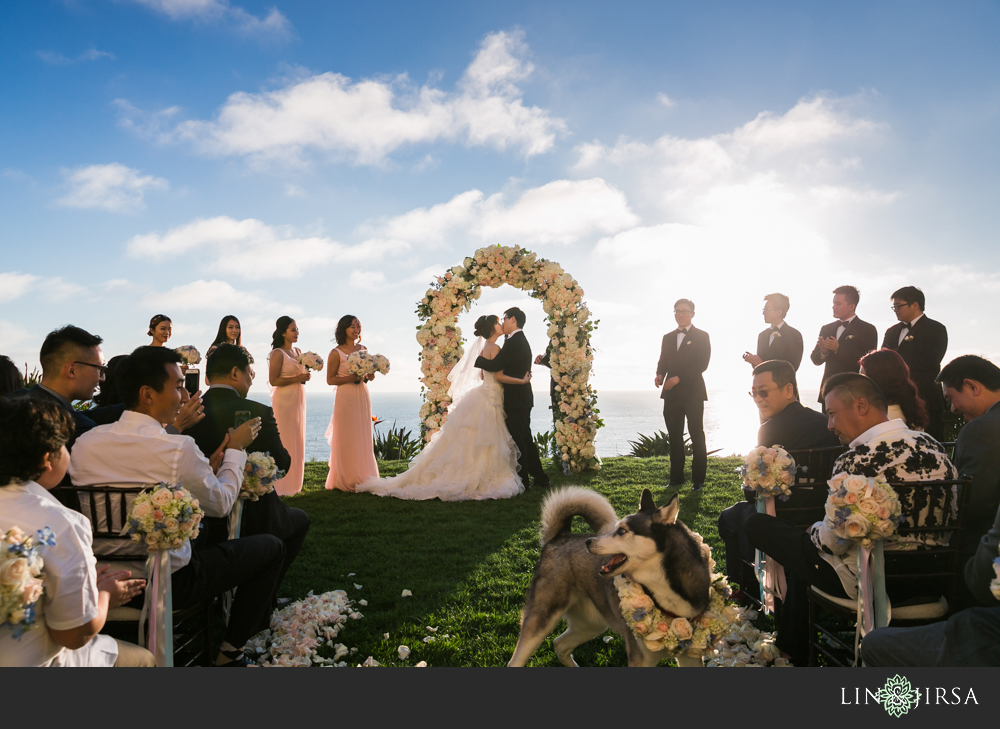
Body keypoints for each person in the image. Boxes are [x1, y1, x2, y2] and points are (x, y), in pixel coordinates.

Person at [68, 346, 285, 667]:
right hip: (168, 581)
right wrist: (236, 450)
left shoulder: (87, 443)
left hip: (101, 578)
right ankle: (231, 650)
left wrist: (205, 471)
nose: (187, 395)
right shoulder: (178, 448)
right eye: (180, 386)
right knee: (272, 547)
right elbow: (223, 504)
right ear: (147, 394)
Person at [743, 373, 956, 666]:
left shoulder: (857, 458)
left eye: (832, 414)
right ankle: (791, 644)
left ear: (860, 406)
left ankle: (792, 648)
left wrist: (813, 530)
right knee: (800, 554)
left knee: (758, 525)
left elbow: (833, 544)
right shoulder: (935, 447)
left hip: (870, 579)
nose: (829, 425)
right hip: (931, 577)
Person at [0, 396, 153, 667]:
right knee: (144, 660)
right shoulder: (58, 522)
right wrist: (105, 594)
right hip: (32, 661)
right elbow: (73, 634)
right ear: (47, 457)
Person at [184, 343, 310, 612]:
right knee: (299, 521)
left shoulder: (188, 412)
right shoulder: (258, 411)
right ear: (234, 373)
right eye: (250, 375)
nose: (251, 381)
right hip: (258, 515)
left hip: (201, 518)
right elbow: (283, 464)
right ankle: (265, 594)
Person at [357, 315, 528, 500]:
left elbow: (481, 374)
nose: (501, 324)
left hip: (485, 394)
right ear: (492, 328)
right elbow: (500, 376)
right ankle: (482, 476)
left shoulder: (485, 347)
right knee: (487, 440)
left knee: (474, 440)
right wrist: (522, 381)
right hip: (491, 398)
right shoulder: (495, 348)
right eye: (497, 322)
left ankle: (468, 472)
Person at [718, 360, 840, 594]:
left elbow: (753, 490)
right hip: (823, 512)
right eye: (753, 393)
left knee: (729, 518)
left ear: (788, 390)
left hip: (779, 516)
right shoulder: (826, 423)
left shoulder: (769, 429)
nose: (758, 399)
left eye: (763, 391)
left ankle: (748, 587)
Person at [860, 499, 1000, 666]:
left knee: (873, 645)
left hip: (986, 635)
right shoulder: (950, 472)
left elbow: (982, 584)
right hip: (937, 578)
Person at [474, 307, 550, 491]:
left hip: (518, 399)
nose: (503, 323)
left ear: (513, 319)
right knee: (524, 439)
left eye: (505, 318)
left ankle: (524, 481)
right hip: (518, 398)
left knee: (520, 440)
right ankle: (539, 478)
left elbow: (496, 365)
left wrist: (478, 361)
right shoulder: (513, 340)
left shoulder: (515, 341)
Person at [937, 354, 1000, 555]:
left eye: (951, 398)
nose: (953, 408)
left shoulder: (981, 429)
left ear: (973, 387)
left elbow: (972, 505)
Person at [655, 298, 710, 490]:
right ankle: (676, 479)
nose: (681, 314)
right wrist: (660, 374)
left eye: (685, 311)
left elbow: (702, 364)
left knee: (697, 435)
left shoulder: (702, 336)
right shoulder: (667, 337)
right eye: (677, 311)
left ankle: (698, 480)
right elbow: (663, 360)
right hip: (671, 395)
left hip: (693, 393)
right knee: (675, 437)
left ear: (693, 314)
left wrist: (678, 378)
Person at [882, 286, 949, 440]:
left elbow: (930, 361)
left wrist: (896, 361)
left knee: (931, 444)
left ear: (915, 305)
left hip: (926, 399)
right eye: (894, 307)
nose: (896, 310)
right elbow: (882, 362)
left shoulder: (935, 329)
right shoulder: (891, 331)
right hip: (895, 401)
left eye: (899, 306)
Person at [324, 315, 379, 491]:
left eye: (358, 326)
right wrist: (351, 377)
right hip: (345, 397)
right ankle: (345, 478)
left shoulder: (363, 349)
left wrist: (370, 375)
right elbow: (330, 380)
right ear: (344, 329)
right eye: (352, 327)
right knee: (346, 435)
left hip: (362, 394)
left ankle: (364, 474)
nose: (356, 330)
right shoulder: (336, 353)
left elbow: (368, 377)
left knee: (362, 434)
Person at [809, 285, 878, 411]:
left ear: (852, 306)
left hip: (853, 391)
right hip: (829, 390)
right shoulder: (826, 328)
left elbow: (869, 363)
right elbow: (815, 359)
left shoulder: (867, 329)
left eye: (838, 303)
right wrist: (823, 352)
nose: (833, 307)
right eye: (833, 303)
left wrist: (837, 349)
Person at [267, 316, 310, 496]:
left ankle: (295, 482)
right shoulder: (278, 353)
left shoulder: (298, 351)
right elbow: (274, 380)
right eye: (293, 330)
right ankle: (281, 484)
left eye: (297, 329)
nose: (296, 332)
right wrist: (298, 378)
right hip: (284, 400)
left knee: (297, 438)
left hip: (298, 398)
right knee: (285, 437)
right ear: (283, 332)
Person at [858, 348, 928, 430]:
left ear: (877, 380)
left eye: (863, 377)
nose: (858, 382)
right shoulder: (910, 411)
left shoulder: (880, 418)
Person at [742, 293, 804, 371]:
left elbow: (791, 368)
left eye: (767, 309)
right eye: (763, 309)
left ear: (779, 312)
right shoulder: (762, 336)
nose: (763, 313)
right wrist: (753, 361)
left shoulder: (794, 335)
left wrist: (761, 363)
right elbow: (759, 367)